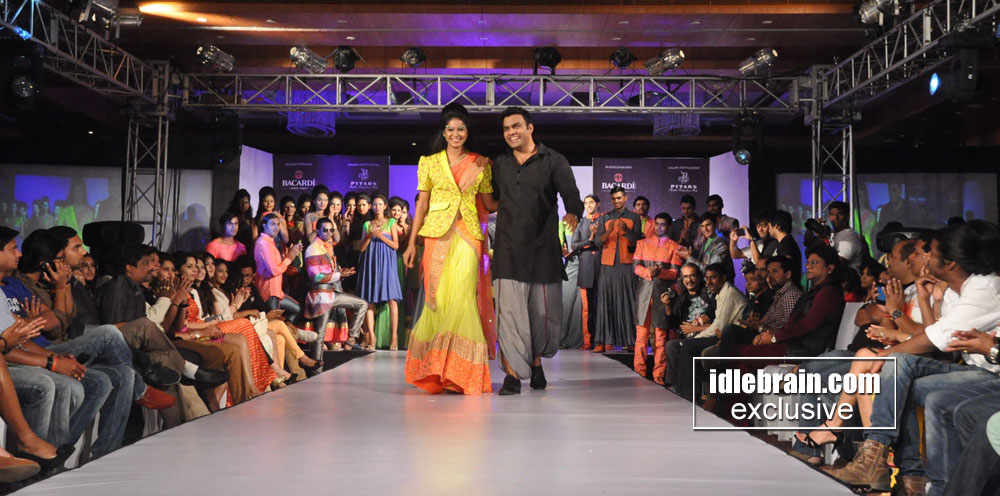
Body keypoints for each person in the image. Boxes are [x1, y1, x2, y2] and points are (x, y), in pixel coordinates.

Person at [402, 103, 495, 395]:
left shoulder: (481, 163)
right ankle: (436, 372)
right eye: (451, 129)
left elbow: (489, 204)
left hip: (468, 235)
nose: (456, 134)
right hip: (436, 236)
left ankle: (460, 374)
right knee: (438, 300)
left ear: (467, 131)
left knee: (463, 298)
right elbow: (422, 204)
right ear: (443, 132)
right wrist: (411, 243)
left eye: (461, 129)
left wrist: (522, 198)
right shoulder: (428, 162)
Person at [490, 107, 583, 395]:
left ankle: (536, 364)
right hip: (507, 249)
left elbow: (571, 194)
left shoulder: (553, 160)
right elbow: (491, 200)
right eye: (506, 128)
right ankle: (512, 375)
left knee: (541, 317)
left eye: (516, 126)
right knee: (509, 316)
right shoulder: (500, 163)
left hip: (542, 250)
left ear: (530, 128)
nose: (511, 132)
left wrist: (573, 212)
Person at [304, 218, 368, 354]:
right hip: (320, 295)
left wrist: (343, 272)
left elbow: (330, 272)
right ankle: (316, 362)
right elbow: (316, 277)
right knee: (319, 335)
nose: (329, 233)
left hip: (331, 293)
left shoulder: (327, 247)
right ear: (317, 231)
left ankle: (351, 338)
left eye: (331, 230)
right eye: (325, 230)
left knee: (362, 304)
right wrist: (339, 275)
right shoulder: (313, 249)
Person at [632, 212, 682, 384]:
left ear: (669, 226)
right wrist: (648, 272)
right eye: (657, 224)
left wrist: (659, 272)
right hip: (644, 293)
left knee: (661, 336)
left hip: (662, 295)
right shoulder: (642, 243)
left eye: (663, 224)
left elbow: (675, 272)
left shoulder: (674, 247)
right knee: (641, 335)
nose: (659, 227)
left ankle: (659, 375)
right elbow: (635, 267)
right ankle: (639, 371)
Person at [592, 186, 643, 353]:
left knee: (628, 302)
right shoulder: (605, 217)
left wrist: (626, 230)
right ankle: (601, 341)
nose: (616, 201)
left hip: (627, 264)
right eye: (614, 198)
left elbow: (638, 240)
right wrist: (609, 231)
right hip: (608, 265)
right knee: (605, 303)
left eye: (619, 198)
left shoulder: (634, 217)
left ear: (625, 198)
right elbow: (598, 242)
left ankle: (631, 340)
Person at [357, 194, 403, 351]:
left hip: (387, 265)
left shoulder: (391, 222)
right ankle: (371, 337)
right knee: (369, 301)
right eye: (375, 204)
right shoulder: (367, 224)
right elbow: (361, 248)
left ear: (385, 206)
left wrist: (380, 236)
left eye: (380, 204)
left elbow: (395, 245)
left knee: (392, 300)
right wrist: (370, 236)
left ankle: (394, 337)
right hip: (371, 263)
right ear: (372, 207)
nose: (377, 207)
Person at [254, 213, 303, 322]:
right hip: (269, 291)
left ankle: (288, 327)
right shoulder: (264, 244)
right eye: (272, 224)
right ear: (264, 226)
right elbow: (274, 270)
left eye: (277, 224)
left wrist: (290, 255)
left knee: (297, 309)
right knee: (273, 323)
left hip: (275, 290)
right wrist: (289, 258)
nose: (276, 227)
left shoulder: (269, 243)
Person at [570, 194, 602, 350]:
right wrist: (590, 240)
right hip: (586, 269)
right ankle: (588, 341)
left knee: (602, 305)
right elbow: (574, 245)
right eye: (586, 203)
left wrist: (596, 238)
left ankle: (604, 341)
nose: (588, 205)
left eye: (591, 202)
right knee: (587, 307)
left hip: (603, 268)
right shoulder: (581, 223)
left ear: (598, 204)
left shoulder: (604, 220)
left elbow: (606, 242)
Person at [678, 212, 735, 283]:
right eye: (702, 226)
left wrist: (689, 258)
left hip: (720, 285)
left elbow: (710, 270)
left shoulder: (721, 244)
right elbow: (702, 263)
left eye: (708, 225)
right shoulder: (705, 241)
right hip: (708, 284)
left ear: (715, 224)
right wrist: (689, 254)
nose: (705, 229)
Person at [558, 212, 582, 349]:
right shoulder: (563, 223)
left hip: (584, 266)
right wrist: (563, 251)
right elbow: (560, 243)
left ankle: (580, 339)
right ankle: (562, 338)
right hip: (570, 266)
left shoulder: (584, 222)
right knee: (566, 303)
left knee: (581, 305)